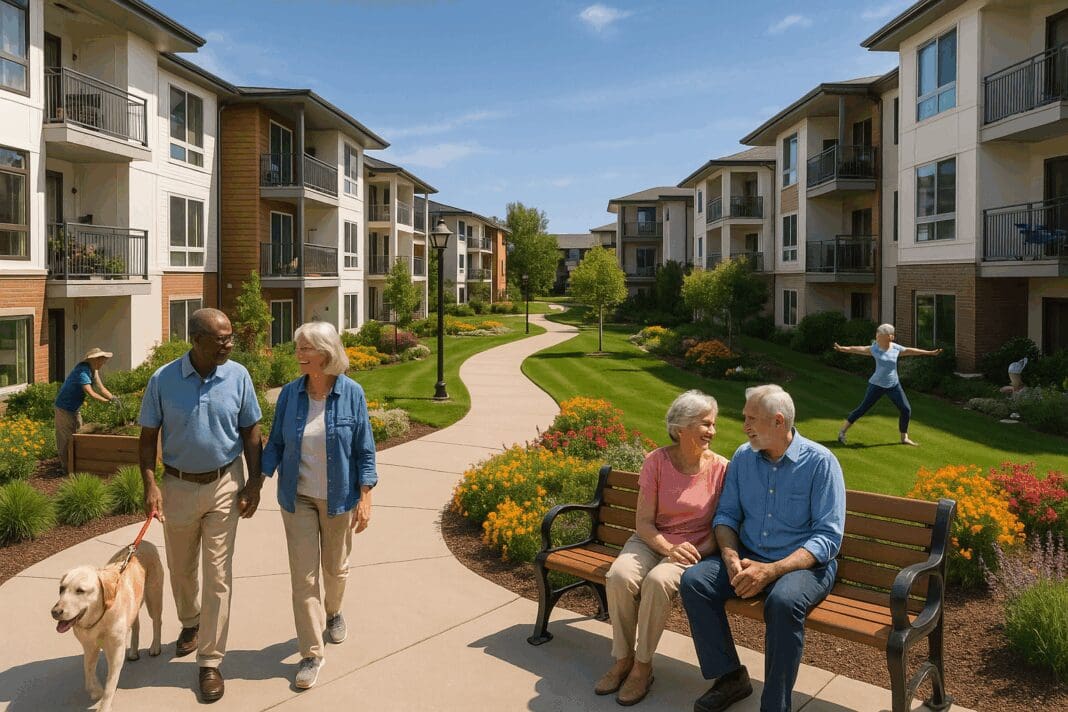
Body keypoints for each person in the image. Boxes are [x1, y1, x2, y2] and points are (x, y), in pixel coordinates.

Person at [679, 384, 845, 712]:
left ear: (779, 422)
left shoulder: (821, 463)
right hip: (749, 557)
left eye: (752, 419)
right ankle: (730, 678)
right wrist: (729, 556)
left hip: (803, 565)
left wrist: (772, 571)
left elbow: (827, 538)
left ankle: (774, 705)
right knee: (695, 581)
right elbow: (726, 515)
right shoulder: (744, 457)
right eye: (745, 418)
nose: (744, 427)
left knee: (782, 603)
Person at [137, 308, 263, 703]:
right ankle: (189, 622)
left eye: (230, 338)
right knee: (180, 567)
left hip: (225, 484)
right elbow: (146, 436)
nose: (228, 344)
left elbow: (251, 431)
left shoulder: (238, 375)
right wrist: (150, 485)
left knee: (218, 574)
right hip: (177, 485)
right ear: (196, 340)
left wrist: (254, 483)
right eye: (220, 339)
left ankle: (209, 660)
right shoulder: (163, 380)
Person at [262, 321, 377, 690]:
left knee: (335, 569)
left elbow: (364, 448)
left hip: (340, 497)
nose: (299, 354)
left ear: (326, 353)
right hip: (297, 498)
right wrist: (252, 483)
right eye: (298, 347)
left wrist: (366, 496)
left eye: (306, 348)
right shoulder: (290, 395)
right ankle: (311, 653)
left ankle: (334, 612)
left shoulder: (352, 393)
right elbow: (276, 444)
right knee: (304, 577)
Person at [597, 390, 729, 706]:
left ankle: (643, 667)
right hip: (652, 540)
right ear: (681, 427)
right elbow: (643, 522)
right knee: (619, 576)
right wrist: (666, 547)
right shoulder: (656, 461)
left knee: (657, 582)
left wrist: (698, 549)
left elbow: (725, 523)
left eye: (713, 424)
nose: (712, 431)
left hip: (693, 548)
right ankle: (623, 659)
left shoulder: (722, 468)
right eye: (705, 424)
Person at [833, 323, 943, 446]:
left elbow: (911, 351)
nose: (877, 338)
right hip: (877, 385)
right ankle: (842, 432)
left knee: (906, 410)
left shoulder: (896, 349)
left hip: (893, 385)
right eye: (877, 335)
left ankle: (904, 438)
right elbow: (857, 349)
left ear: (889, 337)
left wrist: (929, 353)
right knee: (862, 409)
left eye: (880, 336)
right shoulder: (874, 349)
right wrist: (842, 348)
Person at [54, 347, 117, 472]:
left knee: (78, 435)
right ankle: (66, 468)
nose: (104, 363)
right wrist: (106, 402)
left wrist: (114, 398)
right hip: (64, 408)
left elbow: (101, 388)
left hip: (74, 407)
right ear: (95, 359)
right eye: (102, 360)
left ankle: (76, 464)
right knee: (66, 438)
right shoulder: (82, 372)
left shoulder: (94, 370)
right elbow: (91, 393)